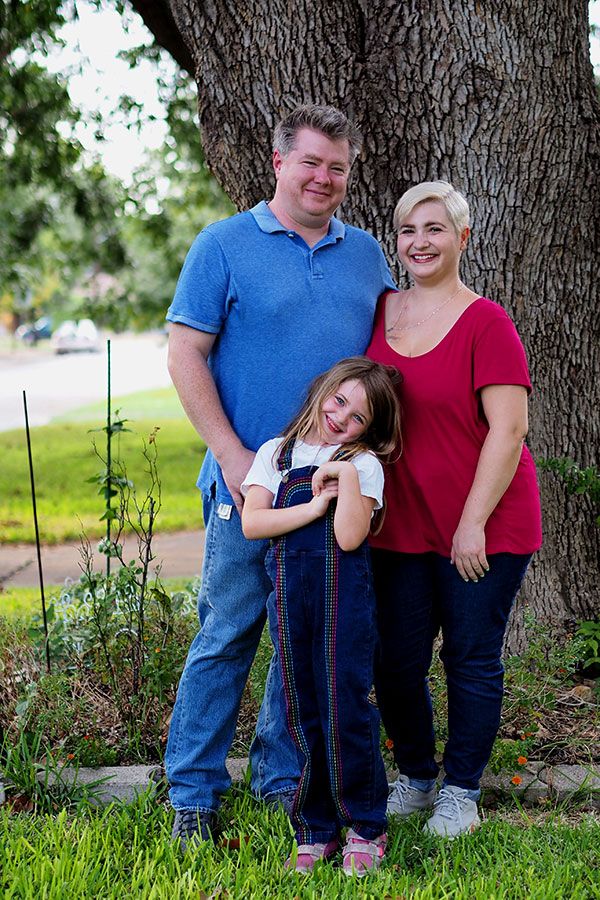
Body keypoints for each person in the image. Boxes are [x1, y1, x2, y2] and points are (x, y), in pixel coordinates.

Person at [164, 104, 396, 849]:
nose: (324, 178)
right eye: (311, 163)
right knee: (228, 632)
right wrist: (232, 456)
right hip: (250, 481)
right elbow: (184, 353)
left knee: (304, 638)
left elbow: (381, 368)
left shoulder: (366, 255)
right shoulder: (224, 244)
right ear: (278, 163)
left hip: (331, 495)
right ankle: (193, 795)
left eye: (337, 167)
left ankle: (281, 782)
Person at [366, 181, 542, 838]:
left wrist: (472, 523)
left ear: (462, 238)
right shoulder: (381, 311)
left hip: (485, 524)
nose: (420, 242)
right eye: (409, 230)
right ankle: (415, 777)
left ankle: (461, 791)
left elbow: (509, 429)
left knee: (470, 656)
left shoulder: (486, 321)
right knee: (395, 659)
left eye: (435, 229)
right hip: (401, 523)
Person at [241, 357, 401, 875]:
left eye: (357, 417)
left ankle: (365, 828)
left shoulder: (364, 464)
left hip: (344, 608)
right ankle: (315, 829)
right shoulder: (275, 453)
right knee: (302, 710)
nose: (341, 418)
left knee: (346, 710)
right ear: (322, 391)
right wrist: (312, 507)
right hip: (290, 604)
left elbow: (350, 536)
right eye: (339, 400)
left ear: (368, 431)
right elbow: (253, 523)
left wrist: (344, 476)